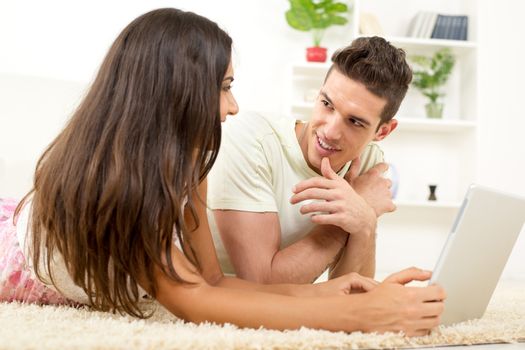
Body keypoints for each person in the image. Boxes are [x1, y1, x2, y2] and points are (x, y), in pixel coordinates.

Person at [0, 8, 445, 336]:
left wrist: (335, 292)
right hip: (14, 252)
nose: (233, 105)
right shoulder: (122, 186)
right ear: (176, 92)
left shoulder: (190, 160)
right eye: (225, 88)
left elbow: (212, 281)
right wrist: (366, 316)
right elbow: (196, 302)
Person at [208, 36, 408, 284]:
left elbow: (350, 294)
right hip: (218, 297)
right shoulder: (252, 139)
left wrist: (365, 222)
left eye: (355, 122)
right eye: (327, 104)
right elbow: (262, 284)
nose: (330, 131)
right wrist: (350, 216)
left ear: (383, 132)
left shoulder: (367, 163)